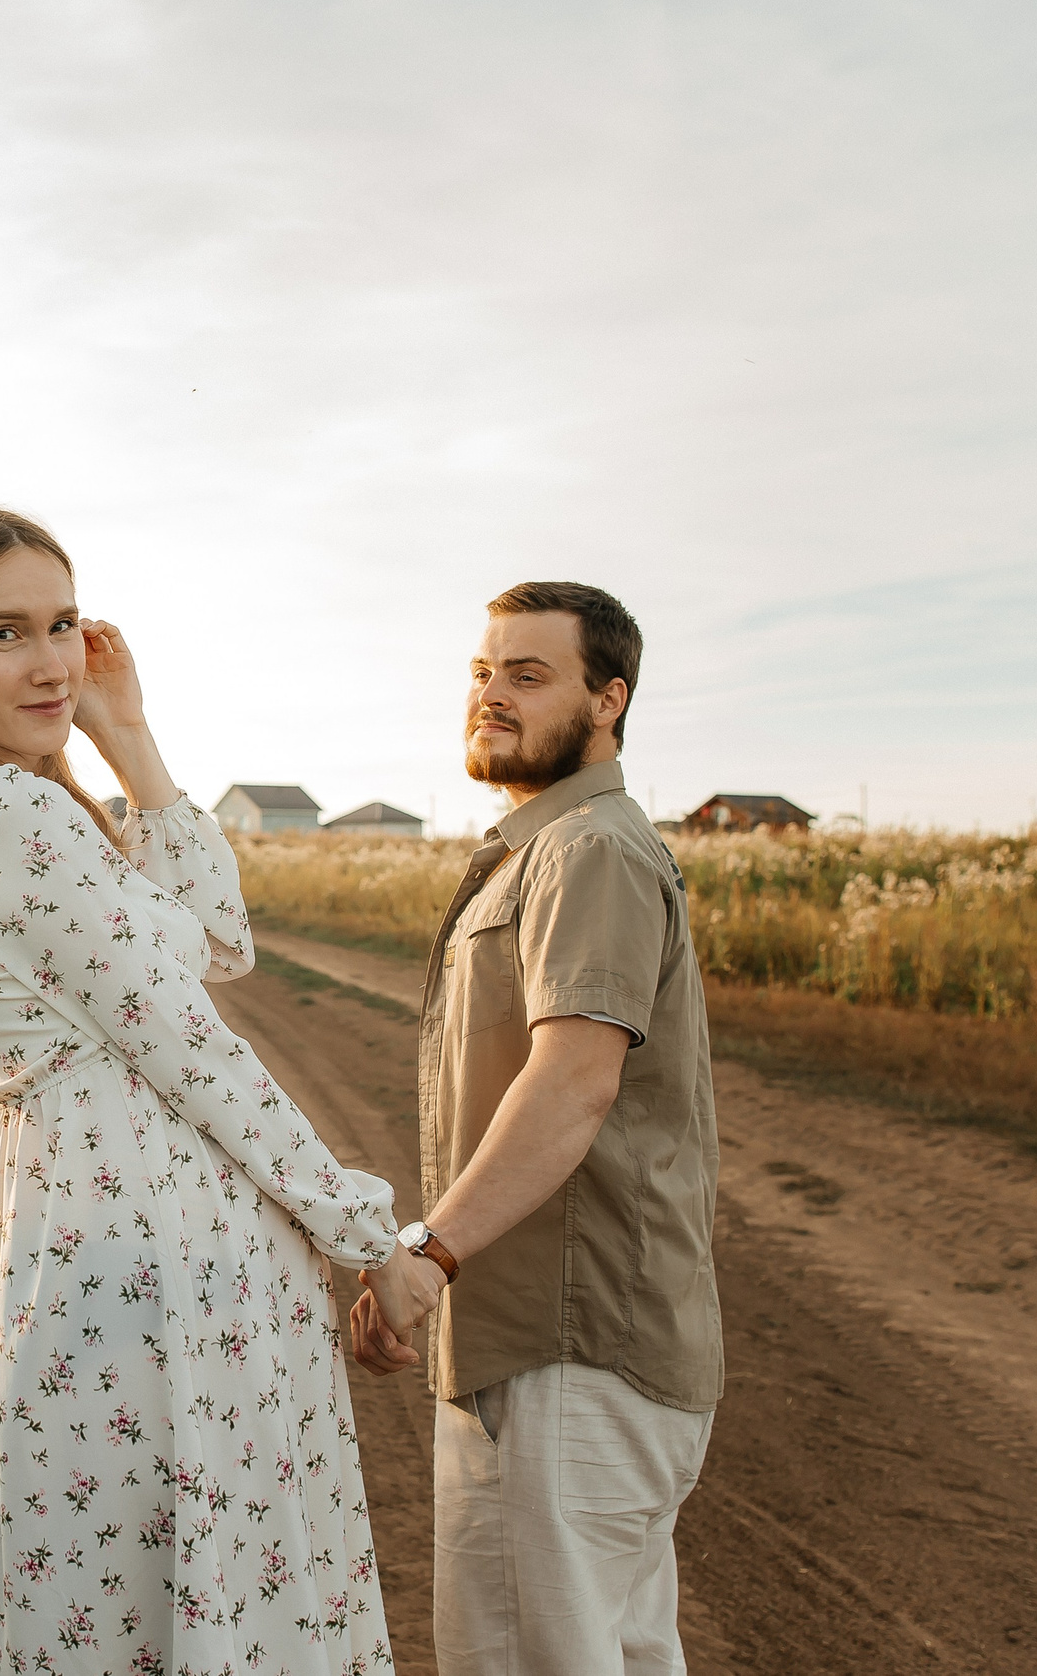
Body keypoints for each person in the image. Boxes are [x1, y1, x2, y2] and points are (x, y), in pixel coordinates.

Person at [0, 506, 416, 1676]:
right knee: (196, 1576)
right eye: (3, 633)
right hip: (149, 1244)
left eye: (62, 623)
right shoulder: (14, 816)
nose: (49, 662)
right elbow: (198, 1049)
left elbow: (218, 942)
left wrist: (127, 733)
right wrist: (364, 1233)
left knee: (111, 1580)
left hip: (70, 1229)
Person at [361, 582, 723, 1676]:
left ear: (606, 702)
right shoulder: (541, 848)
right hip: (550, 1343)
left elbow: (571, 1083)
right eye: (482, 671)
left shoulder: (587, 851)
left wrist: (429, 1250)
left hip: (568, 1347)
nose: (491, 695)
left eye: (528, 674)